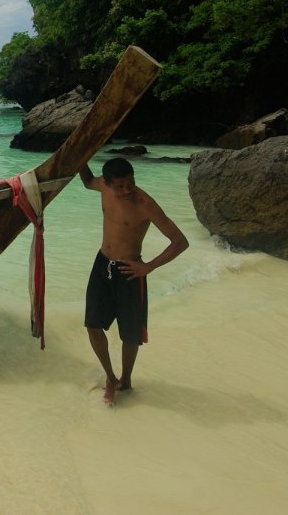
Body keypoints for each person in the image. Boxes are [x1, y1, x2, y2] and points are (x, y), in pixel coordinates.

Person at [79, 156, 188, 404]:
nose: (127, 190)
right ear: (107, 183)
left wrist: (147, 267)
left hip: (130, 271)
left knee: (130, 334)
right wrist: (80, 158)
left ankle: (126, 380)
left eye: (131, 183)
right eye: (120, 186)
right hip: (102, 264)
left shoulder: (144, 203)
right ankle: (110, 376)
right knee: (93, 325)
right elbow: (86, 181)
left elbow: (180, 241)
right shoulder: (102, 188)